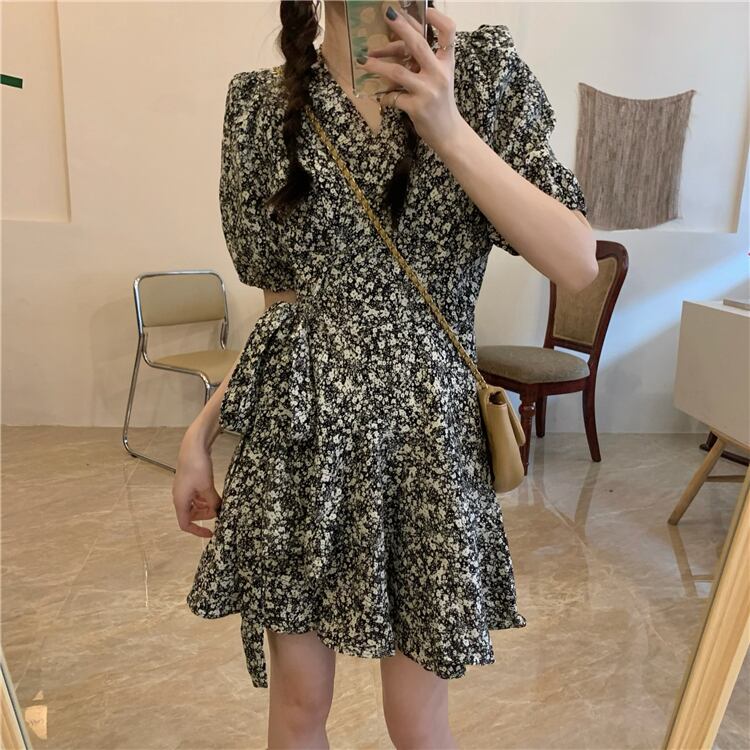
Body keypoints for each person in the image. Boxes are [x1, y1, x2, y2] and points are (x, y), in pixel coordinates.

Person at [173, 1, 598, 748]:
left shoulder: (482, 73)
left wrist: (447, 125)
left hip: (427, 442)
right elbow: (281, 312)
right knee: (298, 706)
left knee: (418, 722)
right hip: (301, 439)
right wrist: (200, 432)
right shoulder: (262, 104)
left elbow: (576, 260)